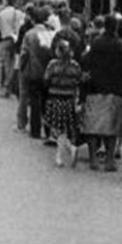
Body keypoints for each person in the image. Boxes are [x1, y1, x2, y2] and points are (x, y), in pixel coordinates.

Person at [82, 14, 122, 171]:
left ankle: (93, 160)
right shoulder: (120, 46)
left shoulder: (96, 43)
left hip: (95, 87)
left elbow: (88, 61)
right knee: (111, 126)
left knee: (93, 125)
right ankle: (109, 161)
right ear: (115, 27)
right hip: (114, 88)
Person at [44, 39, 84, 167]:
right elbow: (79, 79)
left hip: (55, 98)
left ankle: (61, 155)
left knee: (58, 128)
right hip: (68, 99)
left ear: (58, 51)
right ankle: (68, 147)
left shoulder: (53, 64)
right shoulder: (75, 65)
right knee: (64, 127)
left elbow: (46, 78)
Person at [19, 7, 55, 138]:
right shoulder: (51, 33)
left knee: (34, 100)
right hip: (48, 70)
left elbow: (24, 54)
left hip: (33, 70)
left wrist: (22, 68)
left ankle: (35, 130)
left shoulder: (29, 34)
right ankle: (48, 130)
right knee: (46, 100)